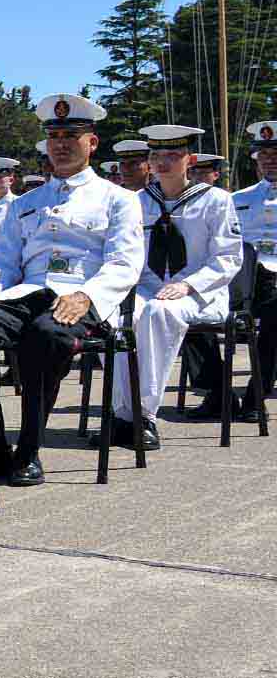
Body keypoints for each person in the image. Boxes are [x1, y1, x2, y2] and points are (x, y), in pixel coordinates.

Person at [0, 93, 144, 488]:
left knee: (45, 335)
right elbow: (5, 263)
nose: (60, 143)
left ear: (92, 142)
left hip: (82, 299)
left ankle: (28, 449)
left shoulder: (119, 200)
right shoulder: (25, 203)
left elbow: (124, 263)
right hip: (27, 293)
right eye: (54, 135)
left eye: (71, 135)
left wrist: (88, 296)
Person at [108, 125, 240, 449]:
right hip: (148, 287)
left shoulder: (216, 201)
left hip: (201, 293)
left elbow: (228, 258)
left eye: (173, 155)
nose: (163, 162)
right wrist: (149, 286)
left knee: (157, 313)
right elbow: (127, 253)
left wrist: (187, 286)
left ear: (190, 160)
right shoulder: (135, 202)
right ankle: (121, 414)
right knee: (113, 318)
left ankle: (144, 417)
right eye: (156, 155)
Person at [196, 120, 277, 420]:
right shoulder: (236, 199)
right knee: (182, 304)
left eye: (275, 154)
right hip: (235, 280)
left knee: (275, 313)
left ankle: (257, 394)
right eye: (264, 154)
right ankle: (219, 392)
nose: (270, 160)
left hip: (273, 284)